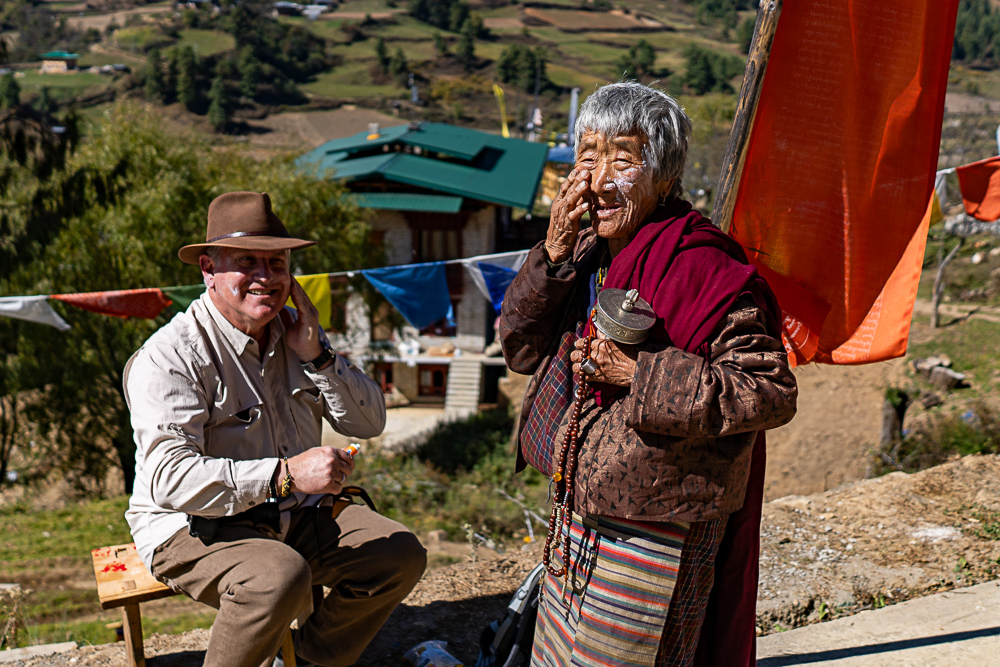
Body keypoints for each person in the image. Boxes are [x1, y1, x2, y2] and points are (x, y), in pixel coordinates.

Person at [499, 82, 798, 666]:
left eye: (623, 158)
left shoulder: (703, 266)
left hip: (662, 526)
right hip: (578, 516)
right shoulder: (584, 250)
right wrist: (554, 252)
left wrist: (640, 373)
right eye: (588, 156)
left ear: (663, 176)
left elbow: (767, 391)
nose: (600, 178)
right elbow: (520, 348)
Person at [124, 191, 426, 667]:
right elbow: (170, 481)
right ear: (208, 269)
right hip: (192, 525)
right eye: (248, 262)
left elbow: (368, 423)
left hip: (291, 513)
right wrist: (285, 475)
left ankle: (308, 659)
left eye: (278, 264)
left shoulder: (298, 333)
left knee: (399, 556)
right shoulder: (171, 355)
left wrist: (318, 356)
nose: (266, 278)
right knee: (278, 576)